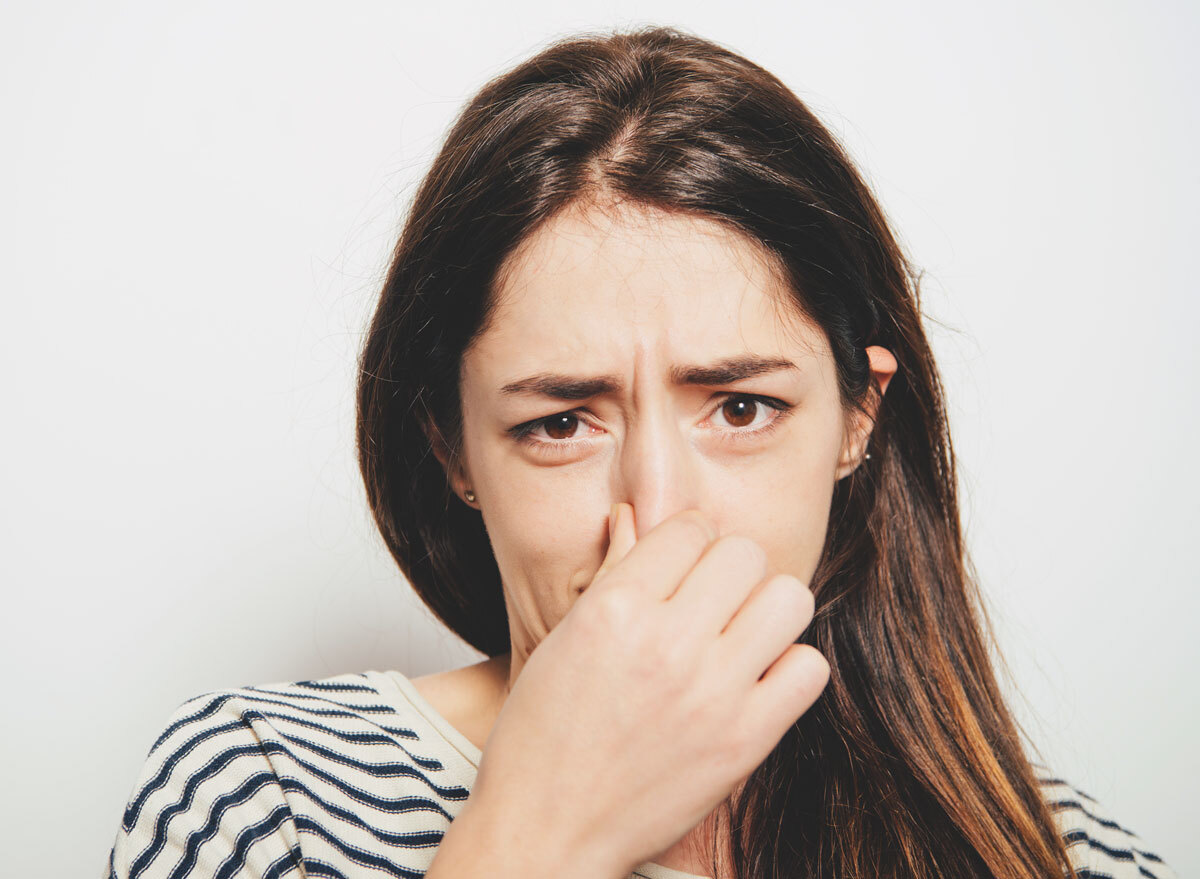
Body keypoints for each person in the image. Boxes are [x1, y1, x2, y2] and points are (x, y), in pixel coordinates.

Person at [103, 24, 1177, 879]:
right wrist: (540, 836)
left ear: (858, 417)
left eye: (743, 409)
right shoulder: (265, 802)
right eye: (561, 423)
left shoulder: (1060, 856)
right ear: (453, 447)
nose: (658, 516)